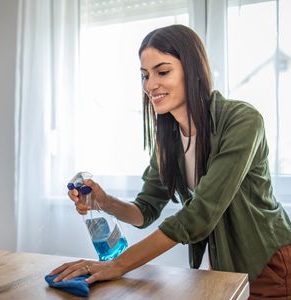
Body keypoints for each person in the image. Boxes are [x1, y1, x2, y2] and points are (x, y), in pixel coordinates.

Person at [49, 24, 291, 299]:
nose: (150, 85)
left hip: (270, 262)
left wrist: (117, 265)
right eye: (144, 75)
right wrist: (104, 202)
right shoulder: (169, 140)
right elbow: (145, 210)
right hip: (224, 265)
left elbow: (198, 216)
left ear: (193, 69)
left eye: (163, 72)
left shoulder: (242, 121)